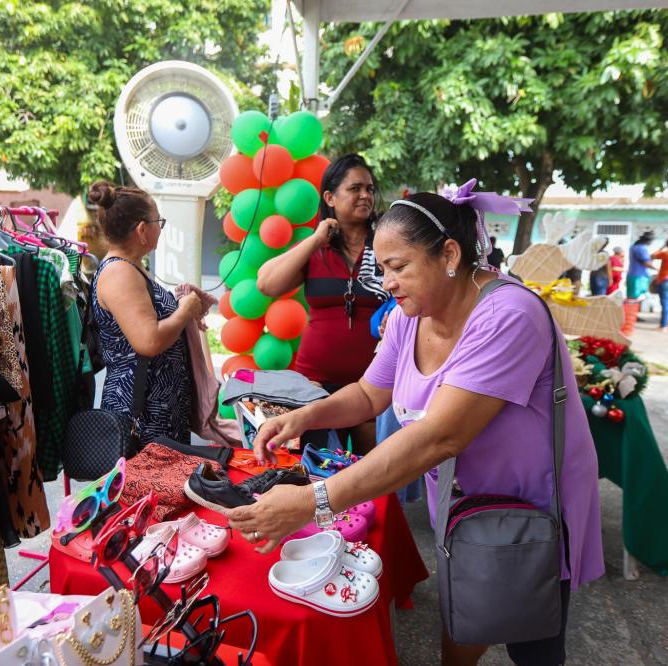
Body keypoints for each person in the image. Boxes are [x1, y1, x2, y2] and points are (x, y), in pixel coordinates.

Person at [229, 188, 604, 666]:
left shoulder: (509, 315)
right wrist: (303, 416)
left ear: (449, 254)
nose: (387, 282)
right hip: (462, 502)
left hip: (531, 504)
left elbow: (441, 436)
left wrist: (312, 502)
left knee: (532, 640)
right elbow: (369, 395)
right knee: (465, 612)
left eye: (398, 266)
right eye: (382, 268)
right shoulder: (413, 313)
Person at [257, 154, 389, 454]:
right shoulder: (316, 247)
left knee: (374, 472)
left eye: (369, 189)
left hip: (375, 382)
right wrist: (316, 240)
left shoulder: (385, 244)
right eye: (355, 188)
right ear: (330, 197)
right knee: (318, 471)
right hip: (315, 384)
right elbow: (266, 284)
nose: (365, 195)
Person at [87, 181, 210, 444]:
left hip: (158, 407)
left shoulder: (130, 267)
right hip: (142, 415)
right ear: (142, 229)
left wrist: (180, 305)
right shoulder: (119, 273)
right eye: (159, 222)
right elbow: (149, 341)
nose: (160, 228)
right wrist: (184, 311)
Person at [626, 231, 656, 299]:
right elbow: (646, 263)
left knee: (632, 297)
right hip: (639, 276)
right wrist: (657, 269)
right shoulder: (641, 248)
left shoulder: (634, 247)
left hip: (633, 275)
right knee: (637, 297)